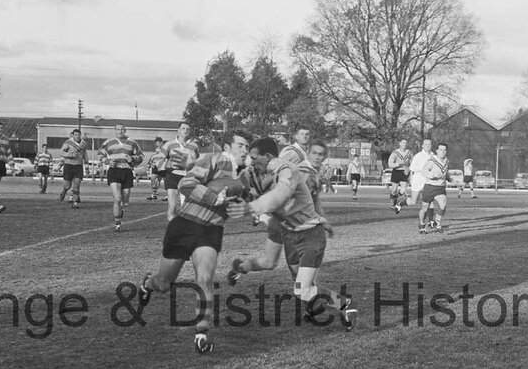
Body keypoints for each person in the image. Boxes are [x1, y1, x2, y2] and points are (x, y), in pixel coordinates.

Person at [225, 138, 357, 332]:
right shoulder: (255, 172)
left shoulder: (288, 170)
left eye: (255, 158)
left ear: (268, 157)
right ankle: (316, 308)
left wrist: (250, 207)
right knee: (302, 284)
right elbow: (239, 185)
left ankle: (345, 304)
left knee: (301, 289)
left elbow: (278, 196)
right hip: (289, 235)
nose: (251, 162)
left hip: (310, 235)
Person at [136, 133, 250, 353]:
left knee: (205, 279)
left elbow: (246, 201)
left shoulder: (245, 176)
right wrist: (211, 197)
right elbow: (186, 184)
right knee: (163, 284)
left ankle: (201, 334)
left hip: (211, 230)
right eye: (240, 145)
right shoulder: (215, 159)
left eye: (247, 146)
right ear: (227, 146)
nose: (244, 150)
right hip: (185, 225)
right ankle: (147, 284)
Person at [97, 123, 145, 231]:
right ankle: (117, 224)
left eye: (122, 129)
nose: (120, 131)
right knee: (117, 198)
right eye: (118, 129)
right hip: (114, 171)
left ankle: (121, 208)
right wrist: (108, 161)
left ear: (125, 130)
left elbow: (141, 156)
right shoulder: (109, 142)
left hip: (127, 171)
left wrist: (132, 159)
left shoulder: (132, 142)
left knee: (125, 201)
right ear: (115, 130)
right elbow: (100, 154)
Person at [160, 122, 202, 220]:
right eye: (183, 128)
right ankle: (173, 230)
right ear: (178, 130)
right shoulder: (169, 144)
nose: (186, 130)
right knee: (172, 207)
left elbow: (197, 162)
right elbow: (159, 158)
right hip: (173, 176)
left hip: (187, 178)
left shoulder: (194, 146)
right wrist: (167, 165)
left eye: (187, 129)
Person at [419, 142, 450, 234]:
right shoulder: (432, 161)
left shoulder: (447, 161)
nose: (442, 152)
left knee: (443, 205)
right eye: (440, 150)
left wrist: (450, 178)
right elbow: (424, 171)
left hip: (440, 187)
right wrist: (431, 175)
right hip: (429, 187)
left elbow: (445, 173)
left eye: (444, 150)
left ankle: (437, 223)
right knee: (424, 208)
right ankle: (421, 225)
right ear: (437, 151)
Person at [58, 129, 88, 207]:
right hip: (69, 165)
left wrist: (86, 162)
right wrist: (70, 155)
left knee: (77, 184)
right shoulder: (68, 142)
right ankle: (64, 191)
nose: (77, 136)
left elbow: (85, 153)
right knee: (67, 186)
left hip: (78, 166)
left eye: (79, 135)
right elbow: (61, 152)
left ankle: (75, 203)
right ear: (73, 135)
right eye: (76, 135)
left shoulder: (83, 143)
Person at [387, 138, 411, 213]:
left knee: (403, 190)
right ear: (400, 143)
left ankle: (396, 201)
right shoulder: (395, 153)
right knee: (394, 190)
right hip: (396, 172)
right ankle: (393, 203)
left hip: (404, 172)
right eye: (403, 143)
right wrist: (398, 164)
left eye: (406, 143)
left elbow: (413, 162)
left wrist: (408, 169)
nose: (405, 144)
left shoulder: (409, 152)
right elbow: (390, 164)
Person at [147, 137, 167, 201]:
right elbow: (155, 157)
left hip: (163, 167)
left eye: (158, 143)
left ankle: (168, 196)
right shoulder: (157, 149)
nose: (157, 144)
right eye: (156, 143)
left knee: (165, 181)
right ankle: (154, 195)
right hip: (156, 166)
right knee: (153, 179)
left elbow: (165, 158)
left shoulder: (165, 149)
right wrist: (151, 164)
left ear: (161, 142)